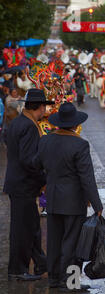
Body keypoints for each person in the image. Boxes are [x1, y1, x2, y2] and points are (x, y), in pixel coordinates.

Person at [34, 102, 103, 291]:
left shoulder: (46, 140)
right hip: (74, 202)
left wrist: (46, 184)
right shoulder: (79, 144)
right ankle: (71, 282)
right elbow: (86, 178)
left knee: (54, 241)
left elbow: (36, 165)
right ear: (74, 124)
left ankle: (54, 279)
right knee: (72, 244)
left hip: (54, 198)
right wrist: (97, 204)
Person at [3, 88, 52, 281]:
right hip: (23, 184)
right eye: (44, 108)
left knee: (31, 226)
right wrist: (43, 180)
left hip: (18, 183)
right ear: (39, 107)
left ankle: (41, 263)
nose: (44, 112)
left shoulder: (17, 122)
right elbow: (28, 160)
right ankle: (17, 270)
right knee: (22, 230)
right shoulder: (30, 127)